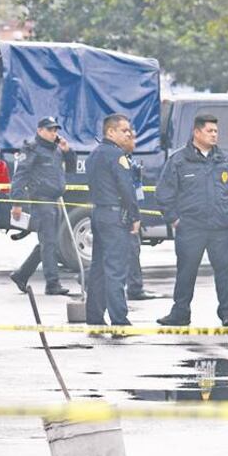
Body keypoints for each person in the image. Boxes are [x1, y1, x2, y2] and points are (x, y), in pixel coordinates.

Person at [155, 114, 228, 327]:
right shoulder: (179, 161)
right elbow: (164, 193)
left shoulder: (224, 160)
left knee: (225, 272)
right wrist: (174, 219)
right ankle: (180, 313)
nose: (214, 135)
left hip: (221, 229)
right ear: (197, 133)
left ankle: (227, 314)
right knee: (186, 272)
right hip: (191, 228)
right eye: (209, 131)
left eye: (216, 131)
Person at [9, 116, 77, 296]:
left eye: (55, 130)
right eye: (50, 130)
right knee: (49, 243)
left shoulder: (55, 149)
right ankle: (52, 284)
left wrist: (68, 151)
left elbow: (71, 169)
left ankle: (21, 275)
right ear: (40, 131)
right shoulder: (32, 149)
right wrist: (17, 203)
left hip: (55, 201)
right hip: (41, 201)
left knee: (47, 243)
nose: (54, 133)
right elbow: (20, 176)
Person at [84, 114, 140, 326]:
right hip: (115, 216)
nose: (129, 134)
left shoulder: (95, 154)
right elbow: (126, 189)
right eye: (124, 130)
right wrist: (134, 216)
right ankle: (120, 320)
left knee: (98, 268)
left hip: (98, 214)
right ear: (110, 132)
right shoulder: (117, 156)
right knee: (116, 269)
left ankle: (94, 316)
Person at [125, 142, 162, 301]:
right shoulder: (119, 160)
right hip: (123, 214)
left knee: (127, 251)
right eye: (127, 134)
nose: (132, 139)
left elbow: (136, 189)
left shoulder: (129, 160)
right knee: (129, 250)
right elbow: (127, 191)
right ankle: (135, 288)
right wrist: (134, 216)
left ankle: (135, 287)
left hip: (130, 211)